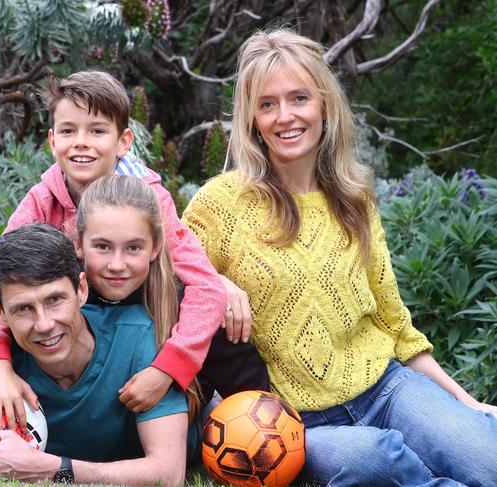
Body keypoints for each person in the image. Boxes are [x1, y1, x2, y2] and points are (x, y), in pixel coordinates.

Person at [182, 28, 497, 486]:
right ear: (251, 118)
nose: (284, 116)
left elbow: (396, 326)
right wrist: (216, 283)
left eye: (299, 98)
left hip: (385, 388)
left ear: (324, 105)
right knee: (375, 460)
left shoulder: (354, 200)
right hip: (290, 424)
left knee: (485, 455)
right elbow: (165, 259)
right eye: (267, 104)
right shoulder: (221, 203)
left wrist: (465, 405)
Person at [0, 71, 228, 431]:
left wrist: (169, 367)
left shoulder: (147, 200)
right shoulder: (42, 201)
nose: (81, 142)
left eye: (96, 131)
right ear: (52, 139)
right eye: (68, 131)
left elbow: (206, 286)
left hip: (136, 344)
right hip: (66, 344)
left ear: (123, 142)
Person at [0, 215, 196, 485]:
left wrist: (53, 469)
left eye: (55, 300)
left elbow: (168, 473)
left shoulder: (140, 339)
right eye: (23, 309)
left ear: (82, 289)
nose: (44, 324)